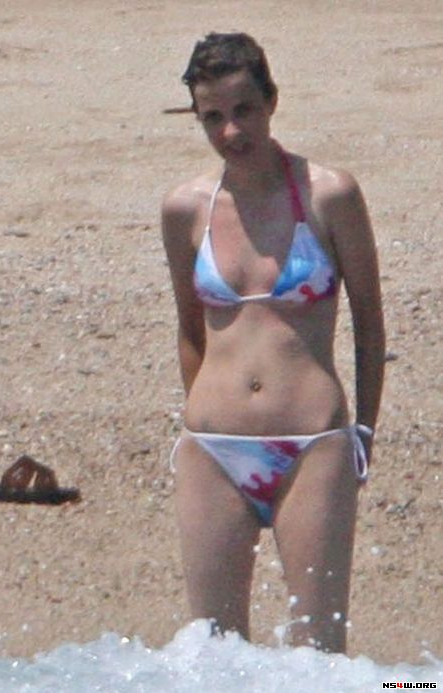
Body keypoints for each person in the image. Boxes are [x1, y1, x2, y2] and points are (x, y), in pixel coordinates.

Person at [161, 33, 384, 653]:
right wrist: (200, 417)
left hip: (312, 446)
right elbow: (191, 329)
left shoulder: (328, 194)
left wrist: (364, 432)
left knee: (321, 662)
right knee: (212, 659)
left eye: (244, 110)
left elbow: (369, 322)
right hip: (213, 450)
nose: (231, 131)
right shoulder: (185, 209)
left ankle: (413, 688)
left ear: (272, 101)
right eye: (213, 117)